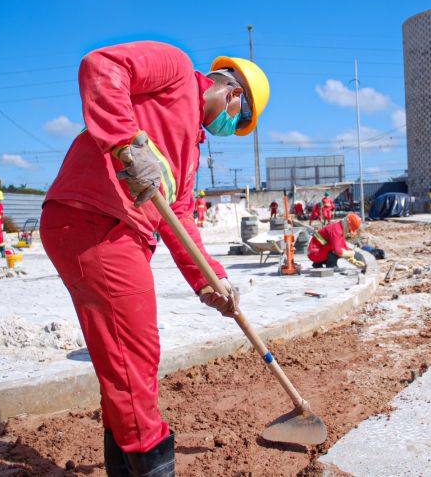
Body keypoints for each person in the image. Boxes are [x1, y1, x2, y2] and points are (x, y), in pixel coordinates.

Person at [39, 41, 269, 476]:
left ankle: (126, 464)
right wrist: (126, 143)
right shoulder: (177, 69)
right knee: (135, 354)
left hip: (119, 230)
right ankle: (151, 462)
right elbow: (100, 65)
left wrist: (211, 281)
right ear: (235, 94)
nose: (229, 125)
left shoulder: (190, 152)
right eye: (236, 120)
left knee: (123, 359)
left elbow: (178, 216)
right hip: (96, 217)